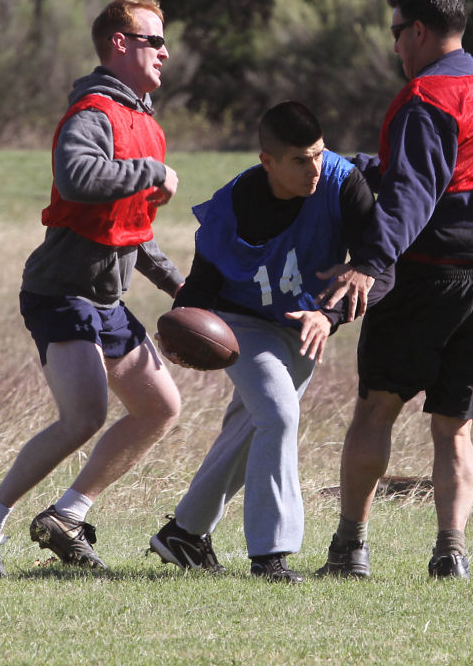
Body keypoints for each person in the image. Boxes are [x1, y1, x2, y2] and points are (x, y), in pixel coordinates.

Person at [0, 0, 183, 577]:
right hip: (60, 291)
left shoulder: (147, 123)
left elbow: (134, 228)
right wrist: (153, 174)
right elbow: (77, 177)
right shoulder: (93, 112)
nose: (165, 51)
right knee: (84, 416)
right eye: (154, 40)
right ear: (120, 44)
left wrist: (181, 289)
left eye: (164, 41)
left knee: (160, 407)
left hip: (106, 297)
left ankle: (68, 516)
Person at [315, 0, 473, 580]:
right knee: (453, 423)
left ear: (420, 32)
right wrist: (369, 165)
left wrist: (369, 263)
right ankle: (450, 552)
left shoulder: (424, 97)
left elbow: (413, 194)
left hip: (433, 273)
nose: (395, 47)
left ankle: (350, 548)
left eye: (397, 33)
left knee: (376, 407)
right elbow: (461, 174)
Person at [147, 101, 394, 582]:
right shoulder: (236, 203)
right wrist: (180, 328)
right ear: (268, 161)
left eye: (319, 154)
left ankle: (184, 533)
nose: (314, 168)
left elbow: (379, 269)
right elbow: (203, 281)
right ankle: (271, 554)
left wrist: (330, 315)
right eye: (300, 160)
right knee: (279, 414)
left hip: (304, 324)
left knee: (255, 425)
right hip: (241, 322)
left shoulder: (344, 184)